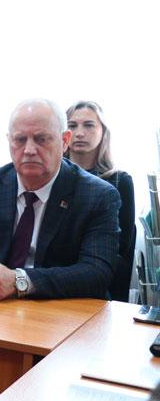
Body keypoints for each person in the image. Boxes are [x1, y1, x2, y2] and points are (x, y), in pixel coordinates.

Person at [0, 98, 120, 302]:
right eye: (20, 139)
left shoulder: (97, 195)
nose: (29, 150)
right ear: (9, 141)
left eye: (41, 139)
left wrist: (19, 281)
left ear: (65, 141)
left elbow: (97, 272)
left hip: (59, 311)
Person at [64, 100, 135, 302]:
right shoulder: (52, 177)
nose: (79, 133)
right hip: (53, 274)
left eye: (89, 125)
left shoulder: (120, 180)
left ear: (103, 132)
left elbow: (121, 245)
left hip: (98, 276)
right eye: (72, 125)